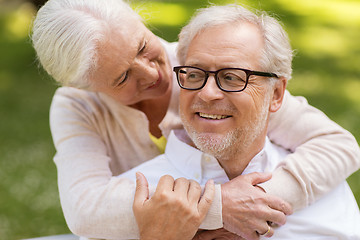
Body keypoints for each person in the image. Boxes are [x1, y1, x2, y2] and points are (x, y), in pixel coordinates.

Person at [30, 0, 360, 239]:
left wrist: (260, 206)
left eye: (144, 46)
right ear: (89, 88)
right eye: (122, 77)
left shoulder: (203, 66)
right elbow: (86, 210)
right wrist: (218, 209)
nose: (152, 72)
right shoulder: (77, 106)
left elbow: (338, 145)